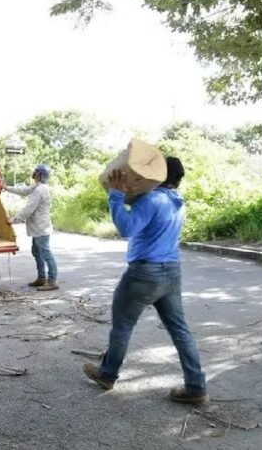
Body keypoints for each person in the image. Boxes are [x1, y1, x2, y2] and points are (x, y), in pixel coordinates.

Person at [83, 157, 208, 404]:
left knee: (122, 326)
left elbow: (126, 228)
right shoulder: (177, 201)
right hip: (171, 272)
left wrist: (116, 195)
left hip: (144, 273)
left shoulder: (153, 199)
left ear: (159, 175)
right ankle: (196, 386)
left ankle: (107, 374)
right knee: (180, 330)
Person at [5, 164, 58, 291]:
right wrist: (6, 188)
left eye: (36, 171)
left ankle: (52, 281)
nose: (33, 173)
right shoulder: (38, 187)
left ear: (40, 174)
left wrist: (13, 220)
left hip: (40, 228)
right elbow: (24, 190)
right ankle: (41, 278)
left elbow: (29, 209)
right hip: (38, 228)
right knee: (37, 252)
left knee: (46, 253)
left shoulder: (40, 190)